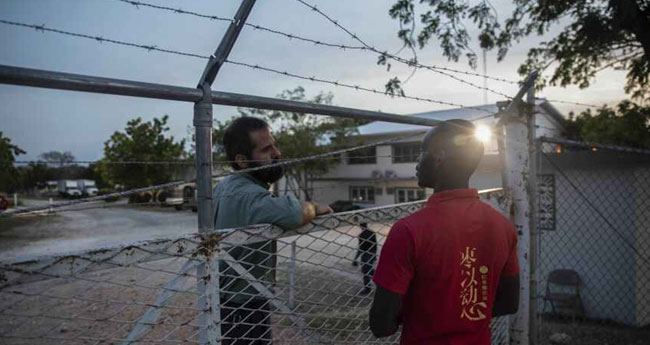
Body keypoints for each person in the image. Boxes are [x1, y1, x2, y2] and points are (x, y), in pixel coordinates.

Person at [369, 119, 520, 345]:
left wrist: (426, 317)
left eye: (422, 153)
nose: (417, 162)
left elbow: (381, 325)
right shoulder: (502, 226)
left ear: (438, 157)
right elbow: (509, 302)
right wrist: (462, 316)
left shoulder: (408, 230)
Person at [213, 117, 332, 345]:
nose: (277, 153)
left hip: (226, 296)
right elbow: (293, 214)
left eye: (274, 145)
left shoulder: (225, 185)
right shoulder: (248, 195)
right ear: (242, 161)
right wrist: (316, 208)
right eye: (266, 149)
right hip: (244, 302)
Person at [352, 222, 377, 295]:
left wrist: (355, 258)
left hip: (366, 254)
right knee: (369, 270)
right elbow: (375, 245)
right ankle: (379, 282)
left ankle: (367, 289)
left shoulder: (361, 235)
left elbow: (361, 248)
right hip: (372, 252)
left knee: (365, 272)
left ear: (360, 226)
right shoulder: (372, 232)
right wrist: (374, 255)